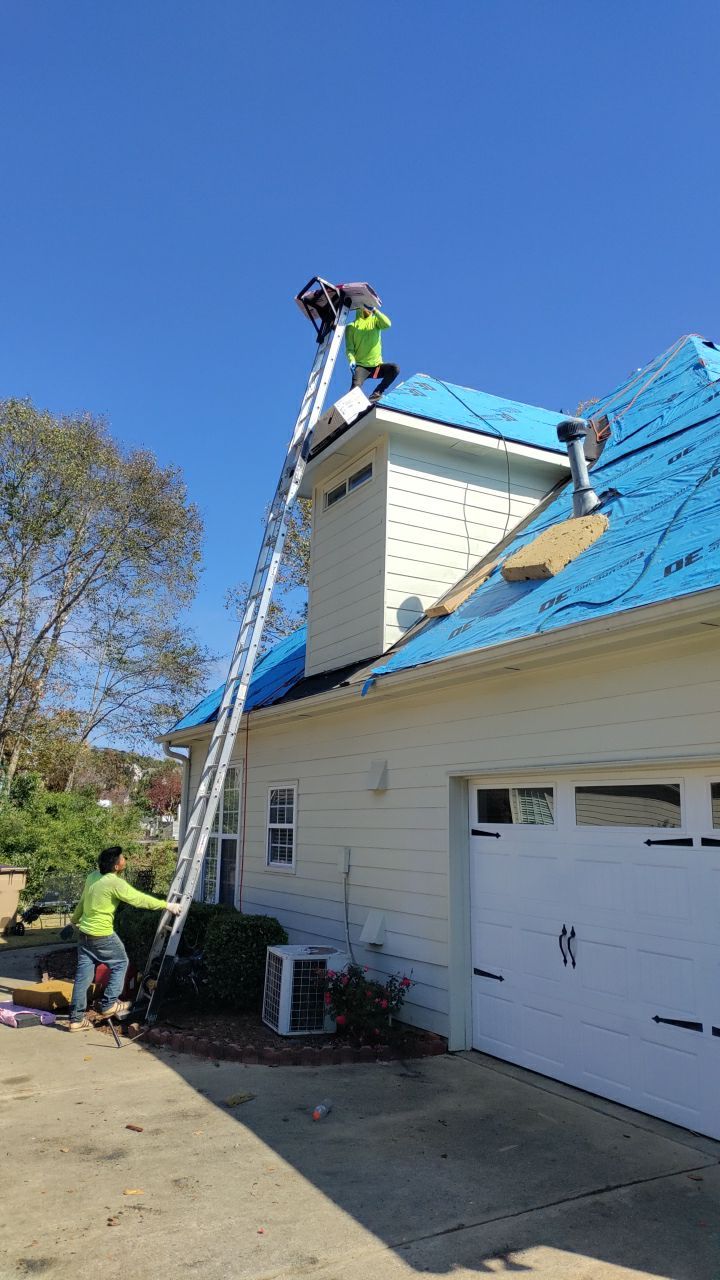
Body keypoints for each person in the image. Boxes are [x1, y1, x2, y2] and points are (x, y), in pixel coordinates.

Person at [66, 845, 181, 1032]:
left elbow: (83, 901)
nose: (124, 859)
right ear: (116, 866)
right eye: (122, 858)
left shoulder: (93, 876)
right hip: (102, 935)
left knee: (83, 976)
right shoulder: (113, 882)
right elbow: (138, 899)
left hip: (85, 934)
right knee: (121, 962)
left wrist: (73, 921)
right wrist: (166, 905)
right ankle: (109, 1004)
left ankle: (76, 1020)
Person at [345, 305, 399, 401]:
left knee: (394, 369)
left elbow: (387, 324)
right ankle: (351, 405)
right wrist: (351, 360)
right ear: (360, 308)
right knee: (354, 390)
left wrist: (375, 310)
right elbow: (350, 349)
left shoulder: (375, 321)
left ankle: (377, 393)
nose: (368, 309)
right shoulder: (350, 327)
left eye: (369, 306)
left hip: (376, 367)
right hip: (361, 367)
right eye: (365, 306)